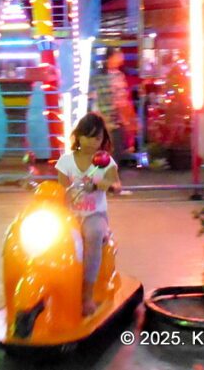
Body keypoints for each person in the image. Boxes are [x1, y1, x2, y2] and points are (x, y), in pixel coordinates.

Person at [55, 113, 121, 317]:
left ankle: (87, 294)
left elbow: (117, 186)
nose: (93, 141)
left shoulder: (105, 162)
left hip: (95, 214)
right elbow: (60, 190)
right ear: (79, 136)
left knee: (92, 234)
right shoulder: (66, 161)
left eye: (98, 138)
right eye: (89, 136)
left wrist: (103, 185)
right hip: (70, 215)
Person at [91, 48, 137, 164]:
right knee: (114, 153)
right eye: (118, 56)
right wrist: (128, 120)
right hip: (113, 120)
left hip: (101, 120)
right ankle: (108, 178)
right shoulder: (117, 76)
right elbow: (121, 101)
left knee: (103, 152)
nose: (121, 58)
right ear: (110, 58)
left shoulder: (97, 77)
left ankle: (100, 178)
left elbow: (94, 97)